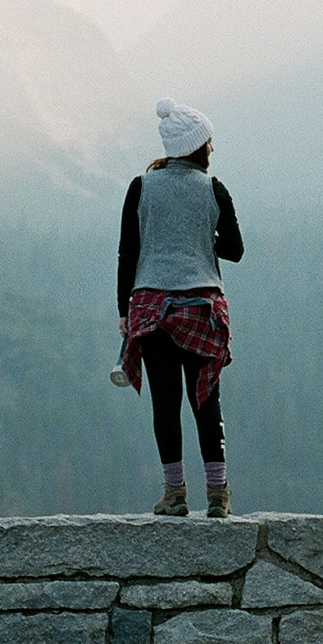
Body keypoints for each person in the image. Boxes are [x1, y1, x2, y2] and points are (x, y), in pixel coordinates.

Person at [117, 98, 245, 517]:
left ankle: (174, 495)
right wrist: (200, 238)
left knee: (166, 404)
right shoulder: (214, 189)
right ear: (198, 147)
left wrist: (124, 311)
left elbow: (128, 253)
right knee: (206, 400)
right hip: (202, 308)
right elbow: (235, 250)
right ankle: (218, 495)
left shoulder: (141, 187)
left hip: (152, 306)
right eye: (209, 142)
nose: (212, 149)